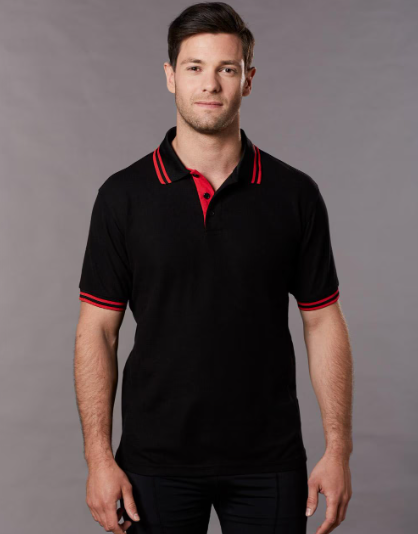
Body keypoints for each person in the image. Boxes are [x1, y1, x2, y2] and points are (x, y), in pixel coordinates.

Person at [74, 3, 353, 533]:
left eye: (227, 68)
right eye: (195, 67)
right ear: (170, 76)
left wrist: (338, 450)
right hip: (153, 464)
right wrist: (98, 458)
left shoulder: (295, 194)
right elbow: (98, 331)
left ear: (248, 79)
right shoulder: (123, 197)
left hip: (269, 460)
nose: (210, 84)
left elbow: (322, 322)